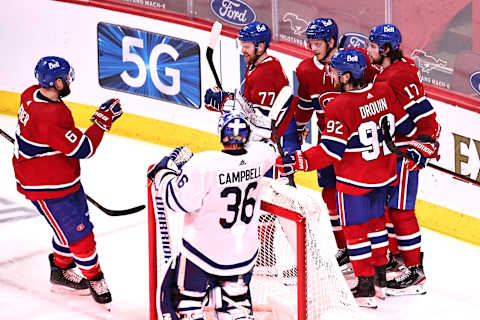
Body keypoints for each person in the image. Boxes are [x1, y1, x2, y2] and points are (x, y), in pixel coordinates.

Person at [278, 49, 424, 308]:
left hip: (355, 182)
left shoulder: (339, 105)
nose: (330, 74)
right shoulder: (384, 91)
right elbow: (407, 128)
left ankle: (365, 289)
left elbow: (330, 151)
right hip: (384, 176)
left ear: (346, 77)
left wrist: (299, 160)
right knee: (378, 227)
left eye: (334, 71)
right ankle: (380, 284)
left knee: (356, 234)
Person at [12, 56, 122, 307]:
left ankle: (60, 270)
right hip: (45, 186)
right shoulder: (52, 114)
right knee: (79, 236)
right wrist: (102, 121)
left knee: (71, 228)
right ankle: (95, 278)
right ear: (58, 82)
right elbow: (84, 148)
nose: (70, 80)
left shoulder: (30, 94)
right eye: (66, 77)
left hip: (62, 177)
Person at [148, 109, 277, 319]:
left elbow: (176, 200)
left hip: (201, 255)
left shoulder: (203, 165)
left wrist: (163, 171)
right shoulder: (260, 158)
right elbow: (270, 146)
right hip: (242, 256)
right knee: (236, 311)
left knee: (185, 307)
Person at [294, 18, 380, 273]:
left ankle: (375, 257)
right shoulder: (305, 70)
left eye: (317, 43)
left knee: (365, 202)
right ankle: (347, 249)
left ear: (332, 41)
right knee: (330, 195)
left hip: (358, 148)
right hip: (330, 142)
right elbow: (305, 106)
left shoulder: (354, 63)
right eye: (309, 42)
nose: (312, 48)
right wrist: (298, 131)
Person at [367, 24, 440, 296]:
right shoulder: (397, 68)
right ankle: (398, 259)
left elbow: (422, 118)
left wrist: (426, 142)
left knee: (400, 211)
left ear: (386, 50)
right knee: (389, 209)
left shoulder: (395, 77)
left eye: (373, 47)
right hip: (396, 150)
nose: (369, 50)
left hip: (407, 152)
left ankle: (415, 272)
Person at [205, 21, 299, 175]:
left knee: (269, 190)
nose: (243, 50)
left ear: (260, 47)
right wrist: (226, 101)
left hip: (275, 146)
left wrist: (225, 103)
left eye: (246, 46)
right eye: (242, 45)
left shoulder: (266, 73)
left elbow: (261, 123)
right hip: (271, 142)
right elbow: (251, 107)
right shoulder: (257, 65)